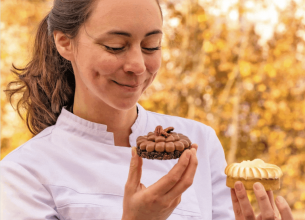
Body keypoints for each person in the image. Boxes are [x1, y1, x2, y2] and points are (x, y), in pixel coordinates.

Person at [1, 0, 294, 219]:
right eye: (116, 46)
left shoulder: (200, 141)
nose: (138, 66)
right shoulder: (23, 174)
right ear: (65, 42)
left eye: (152, 46)